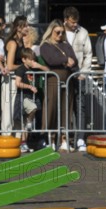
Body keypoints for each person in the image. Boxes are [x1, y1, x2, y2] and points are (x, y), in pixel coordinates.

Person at [40, 19, 79, 149]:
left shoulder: (66, 45)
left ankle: (64, 140)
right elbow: (51, 60)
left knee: (66, 109)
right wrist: (65, 60)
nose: (60, 35)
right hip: (53, 80)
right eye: (57, 32)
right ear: (51, 31)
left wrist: (69, 62)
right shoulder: (45, 45)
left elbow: (75, 60)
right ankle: (50, 140)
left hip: (68, 81)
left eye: (62, 32)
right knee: (51, 109)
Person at [63, 6, 93, 150]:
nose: (75, 25)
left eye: (76, 22)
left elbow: (88, 54)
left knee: (80, 106)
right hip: (63, 75)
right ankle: (64, 138)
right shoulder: (58, 30)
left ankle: (80, 139)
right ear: (65, 20)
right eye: (72, 22)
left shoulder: (83, 32)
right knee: (64, 106)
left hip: (78, 74)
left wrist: (84, 73)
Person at [14, 48, 49, 152]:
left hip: (34, 97)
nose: (32, 61)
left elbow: (48, 70)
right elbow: (17, 83)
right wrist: (29, 87)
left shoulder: (35, 68)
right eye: (30, 59)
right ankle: (28, 126)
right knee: (31, 111)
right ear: (24, 59)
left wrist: (39, 66)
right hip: (23, 96)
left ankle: (24, 143)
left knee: (25, 121)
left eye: (33, 59)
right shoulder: (21, 69)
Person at [1, 16, 29, 134]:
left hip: (18, 79)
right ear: (18, 27)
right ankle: (6, 138)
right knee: (8, 111)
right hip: (10, 80)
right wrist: (25, 66)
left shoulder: (21, 41)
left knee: (17, 111)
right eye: (26, 26)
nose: (28, 28)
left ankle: (18, 140)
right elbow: (10, 66)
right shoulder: (13, 43)